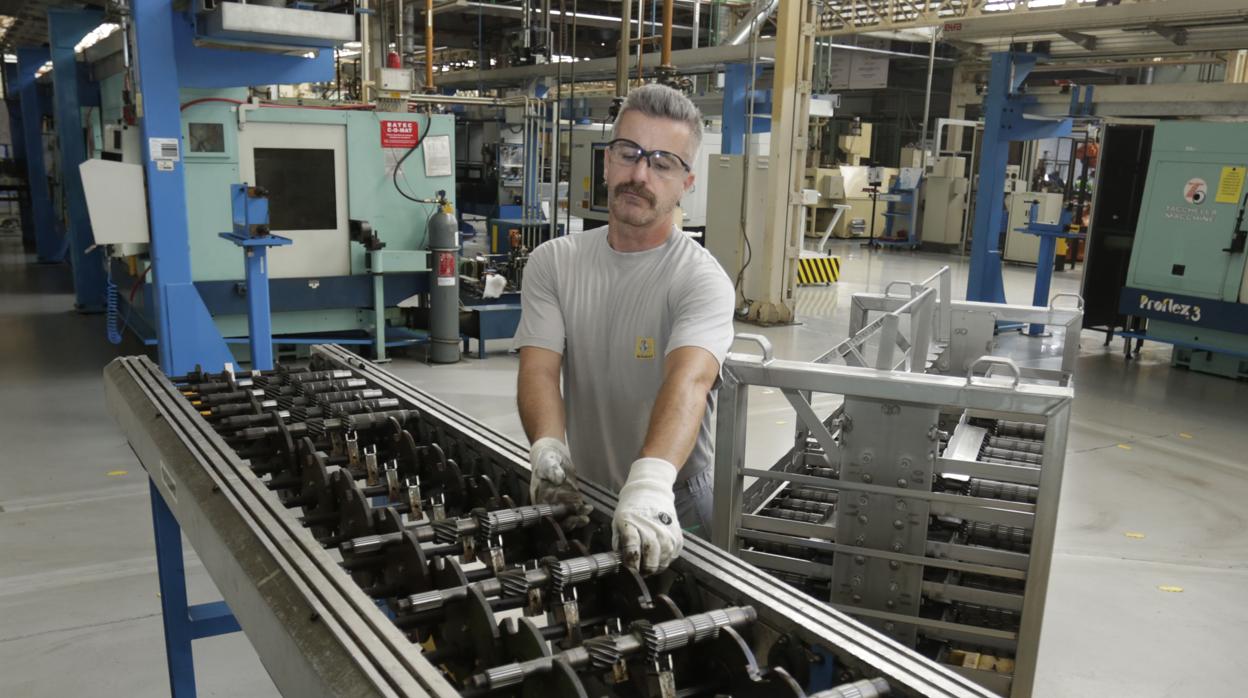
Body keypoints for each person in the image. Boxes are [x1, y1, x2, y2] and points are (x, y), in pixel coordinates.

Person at [512, 83, 735, 576]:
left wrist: (651, 484)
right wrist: (548, 448)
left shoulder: (700, 279)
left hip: (673, 495)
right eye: (628, 153)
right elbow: (540, 370)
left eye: (662, 162)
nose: (639, 174)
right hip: (584, 488)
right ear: (607, 161)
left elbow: (689, 382)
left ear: (687, 181)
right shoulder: (554, 262)